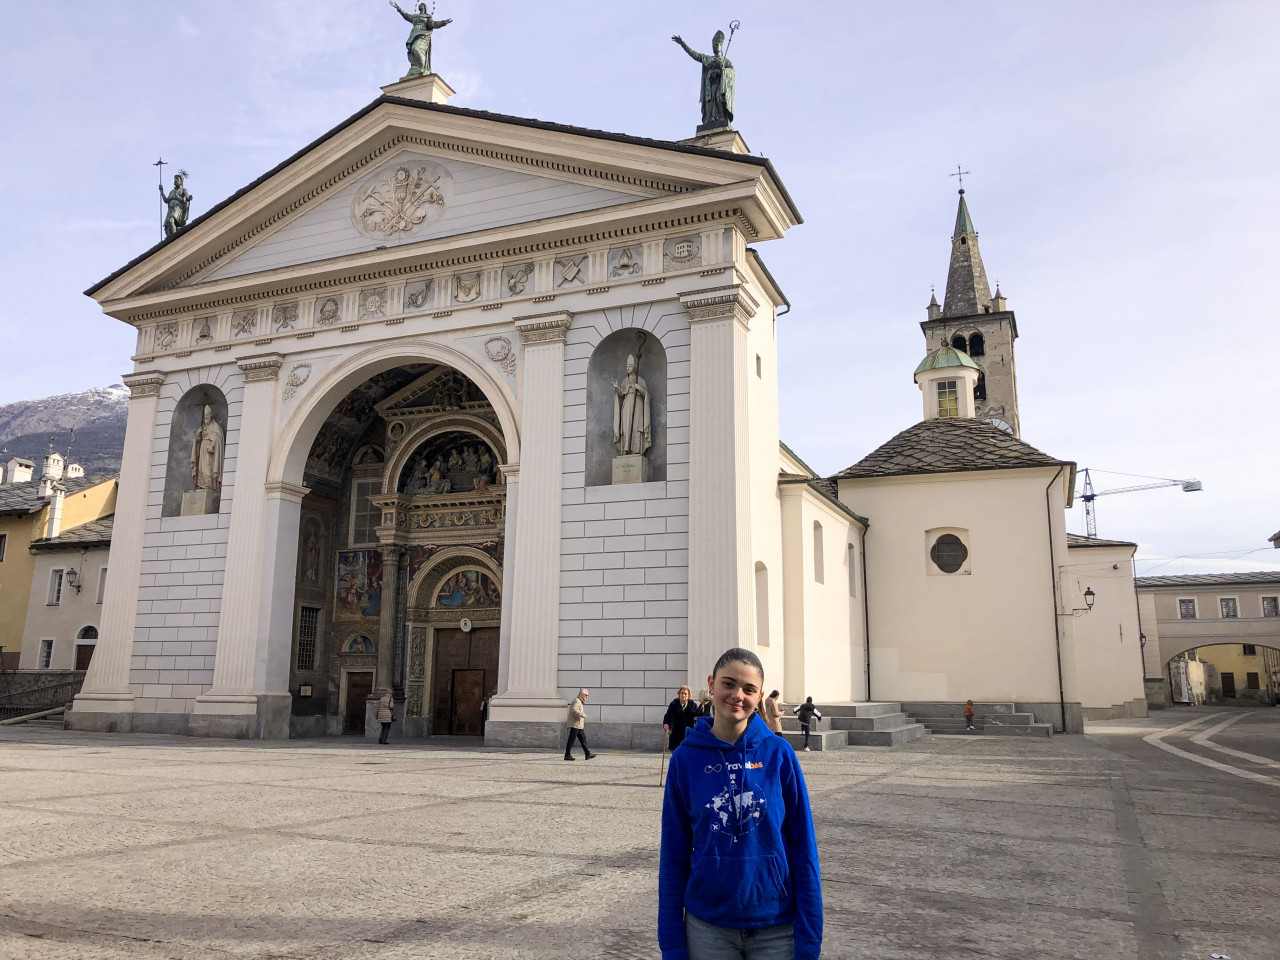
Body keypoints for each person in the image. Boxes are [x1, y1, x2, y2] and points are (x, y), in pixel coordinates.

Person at [659, 647, 822, 960]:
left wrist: (810, 939)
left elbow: (804, 848)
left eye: (748, 689)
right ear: (711, 684)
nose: (737, 695)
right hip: (708, 928)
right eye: (728, 684)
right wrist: (671, 943)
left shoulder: (779, 754)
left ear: (759, 695)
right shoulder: (685, 759)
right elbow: (673, 854)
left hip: (776, 926)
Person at [663, 685, 699, 752]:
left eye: (685, 694)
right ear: (679, 694)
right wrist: (666, 723)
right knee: (675, 753)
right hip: (675, 733)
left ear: (688, 695)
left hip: (687, 734)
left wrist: (696, 720)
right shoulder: (674, 704)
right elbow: (668, 715)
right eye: (682, 693)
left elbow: (697, 717)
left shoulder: (693, 705)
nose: (683, 695)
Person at [564, 689, 595, 761]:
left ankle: (587, 753)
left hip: (578, 725)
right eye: (586, 695)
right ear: (581, 694)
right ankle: (567, 755)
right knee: (571, 740)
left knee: (583, 739)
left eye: (587, 695)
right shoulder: (577, 700)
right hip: (575, 724)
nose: (587, 697)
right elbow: (574, 709)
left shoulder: (579, 701)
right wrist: (582, 715)